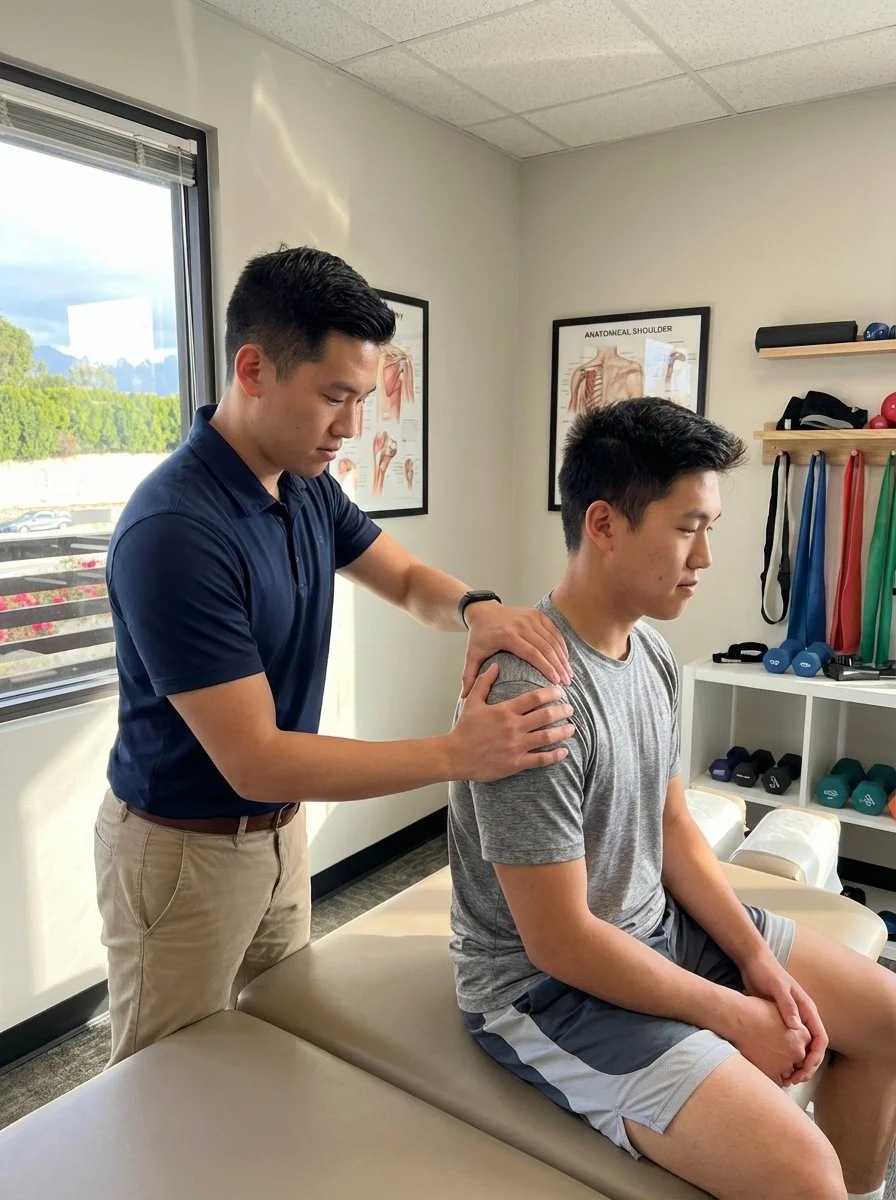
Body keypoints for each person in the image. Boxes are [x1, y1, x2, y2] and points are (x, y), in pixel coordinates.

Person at [96, 246, 575, 1066]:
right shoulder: (176, 531)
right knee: (164, 1091)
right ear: (254, 369)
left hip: (280, 837)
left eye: (361, 399)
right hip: (184, 854)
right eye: (336, 398)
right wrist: (457, 756)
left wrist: (478, 609)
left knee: (273, 1052)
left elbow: (407, 579)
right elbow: (256, 760)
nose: (353, 427)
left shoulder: (303, 482)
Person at [448, 398, 896, 1200]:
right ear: (605, 524)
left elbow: (673, 825)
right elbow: (560, 943)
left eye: (711, 526)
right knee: (806, 1178)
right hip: (543, 989)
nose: (707, 556)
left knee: (889, 1018)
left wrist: (759, 965)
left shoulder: (651, 652)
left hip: (656, 929)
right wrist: (731, 1015)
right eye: (689, 527)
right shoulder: (529, 695)